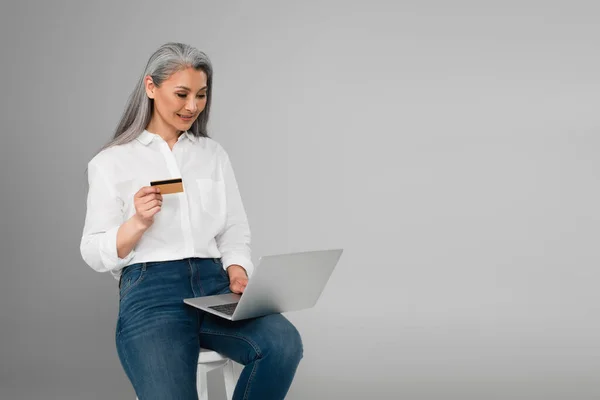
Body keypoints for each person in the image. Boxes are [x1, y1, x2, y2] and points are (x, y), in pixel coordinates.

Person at [80, 42, 303, 400]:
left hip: (215, 286)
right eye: (182, 94)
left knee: (283, 342)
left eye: (200, 95)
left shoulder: (212, 155)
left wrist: (237, 271)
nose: (192, 106)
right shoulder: (111, 162)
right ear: (151, 88)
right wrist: (136, 223)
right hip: (152, 291)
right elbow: (92, 251)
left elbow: (233, 228)